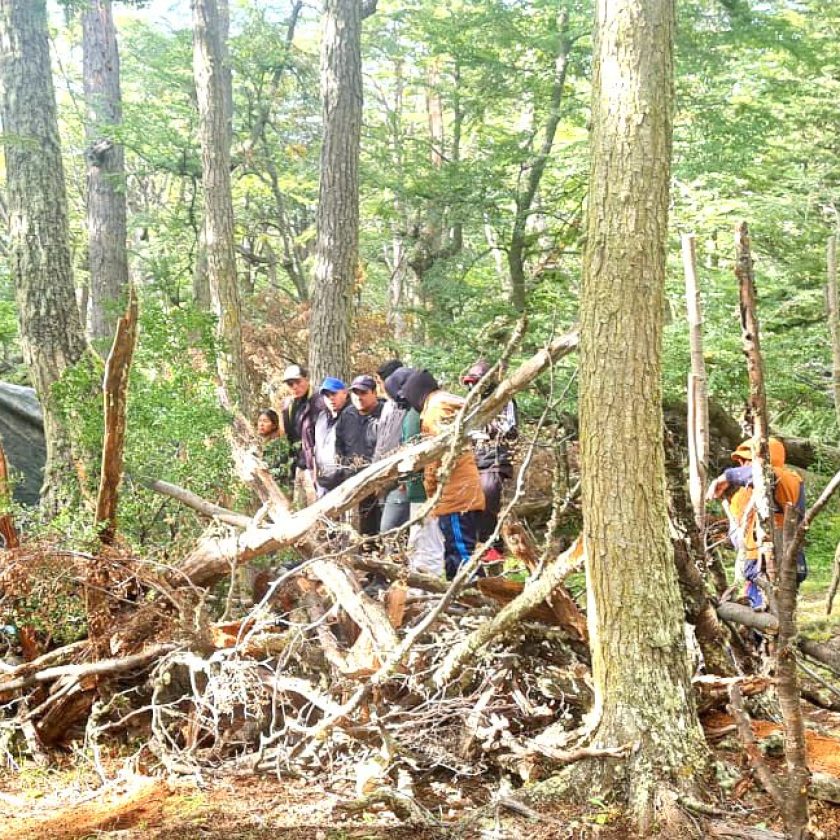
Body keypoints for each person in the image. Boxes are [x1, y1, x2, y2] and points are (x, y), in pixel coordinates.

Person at [402, 369, 485, 580]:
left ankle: (471, 594)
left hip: (455, 494)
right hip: (456, 492)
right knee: (455, 548)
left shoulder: (436, 411)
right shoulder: (440, 406)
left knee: (460, 551)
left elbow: (439, 454)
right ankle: (466, 594)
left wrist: (431, 488)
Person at [707, 436, 806, 609]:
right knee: (768, 616)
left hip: (772, 561)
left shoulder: (786, 478)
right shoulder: (752, 489)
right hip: (759, 563)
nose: (743, 465)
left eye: (747, 460)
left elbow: (760, 473)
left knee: (771, 616)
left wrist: (725, 477)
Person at [462, 359, 518, 560]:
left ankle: (492, 548)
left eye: (475, 382)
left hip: (495, 461)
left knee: (488, 494)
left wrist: (483, 430)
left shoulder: (504, 400)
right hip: (473, 462)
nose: (471, 387)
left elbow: (509, 429)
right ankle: (474, 550)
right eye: (469, 383)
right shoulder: (470, 405)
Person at [335, 375, 385, 537]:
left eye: (363, 392)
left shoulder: (386, 414)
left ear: (374, 393)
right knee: (361, 530)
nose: (358, 397)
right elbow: (339, 443)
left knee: (384, 527)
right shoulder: (347, 415)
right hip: (355, 482)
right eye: (355, 392)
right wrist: (344, 471)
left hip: (381, 482)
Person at [373, 366, 414, 536]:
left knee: (390, 530)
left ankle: (396, 559)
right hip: (382, 476)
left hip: (402, 480)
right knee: (387, 529)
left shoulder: (413, 411)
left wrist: (405, 478)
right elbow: (382, 440)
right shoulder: (389, 407)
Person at [277, 364, 319, 507]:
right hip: (297, 466)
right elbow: (287, 436)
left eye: (298, 382)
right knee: (298, 508)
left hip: (314, 466)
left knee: (317, 510)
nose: (294, 386)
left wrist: (316, 465)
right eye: (290, 383)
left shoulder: (319, 402)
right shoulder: (287, 405)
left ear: (307, 379)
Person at [313, 377, 350, 496]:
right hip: (322, 483)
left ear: (344, 393)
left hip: (343, 484)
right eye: (327, 395)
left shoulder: (351, 415)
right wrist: (315, 475)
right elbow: (317, 448)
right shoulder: (322, 417)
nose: (331, 398)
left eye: (334, 394)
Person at [256, 408, 287, 483]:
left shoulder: (278, 444)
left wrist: (267, 471)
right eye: (260, 420)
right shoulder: (266, 443)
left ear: (274, 425)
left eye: (265, 421)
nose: (261, 424)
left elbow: (284, 470)